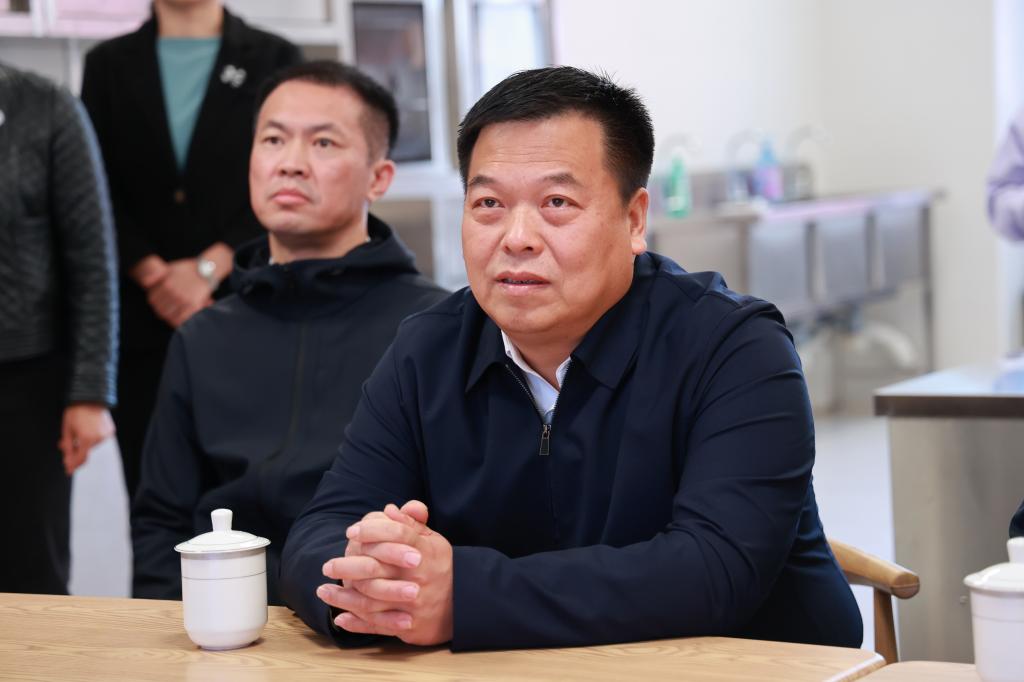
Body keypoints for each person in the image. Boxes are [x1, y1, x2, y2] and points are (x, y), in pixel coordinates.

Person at [279, 66, 863, 651]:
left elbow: (714, 570)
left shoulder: (734, 348)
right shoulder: (427, 350)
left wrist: (463, 598)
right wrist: (375, 586)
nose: (517, 237)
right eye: (488, 203)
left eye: (556, 202)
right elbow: (321, 530)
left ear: (634, 220)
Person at [131, 61, 447, 604]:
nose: (291, 164)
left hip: (368, 619)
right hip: (220, 624)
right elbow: (161, 522)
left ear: (379, 178)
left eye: (324, 143)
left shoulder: (435, 329)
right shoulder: (202, 337)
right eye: (273, 140)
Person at [80, 0, 302, 502]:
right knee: (153, 494)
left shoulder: (274, 57)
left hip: (248, 301)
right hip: (141, 320)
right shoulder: (107, 64)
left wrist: (209, 267)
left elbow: (287, 174)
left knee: (255, 490)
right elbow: (91, 187)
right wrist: (152, 272)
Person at [0, 62, 118, 594]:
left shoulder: (44, 106)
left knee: (30, 575)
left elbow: (92, 260)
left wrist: (91, 391)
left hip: (24, 381)